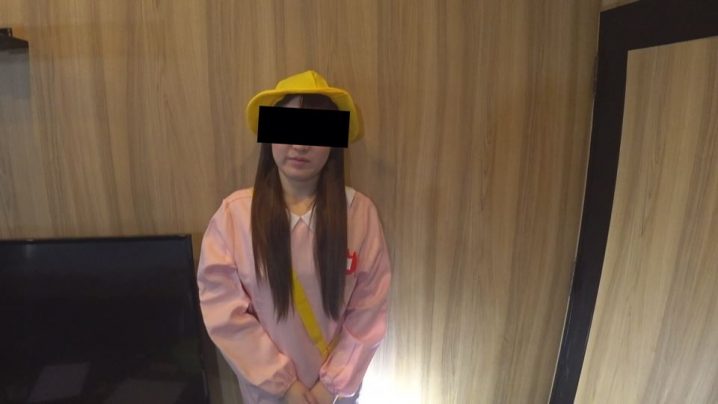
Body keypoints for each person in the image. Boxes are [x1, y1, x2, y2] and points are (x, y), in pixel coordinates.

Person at [197, 70, 392, 404]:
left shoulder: (360, 214)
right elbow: (223, 310)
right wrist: (284, 384)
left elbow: (370, 308)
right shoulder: (234, 216)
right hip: (267, 396)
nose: (300, 144)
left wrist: (330, 387)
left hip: (334, 397)